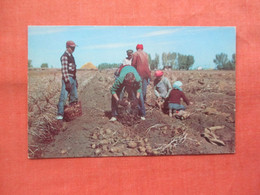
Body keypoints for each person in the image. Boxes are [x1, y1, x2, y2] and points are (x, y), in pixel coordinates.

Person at [56, 40, 78, 120]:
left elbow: (74, 69)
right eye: (72, 48)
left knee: (74, 97)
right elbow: (64, 70)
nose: (73, 49)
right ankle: (60, 115)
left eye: (74, 48)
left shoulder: (72, 56)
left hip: (73, 78)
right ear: (67, 47)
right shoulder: (65, 56)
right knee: (63, 97)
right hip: (67, 78)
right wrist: (67, 82)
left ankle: (72, 113)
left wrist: (76, 80)